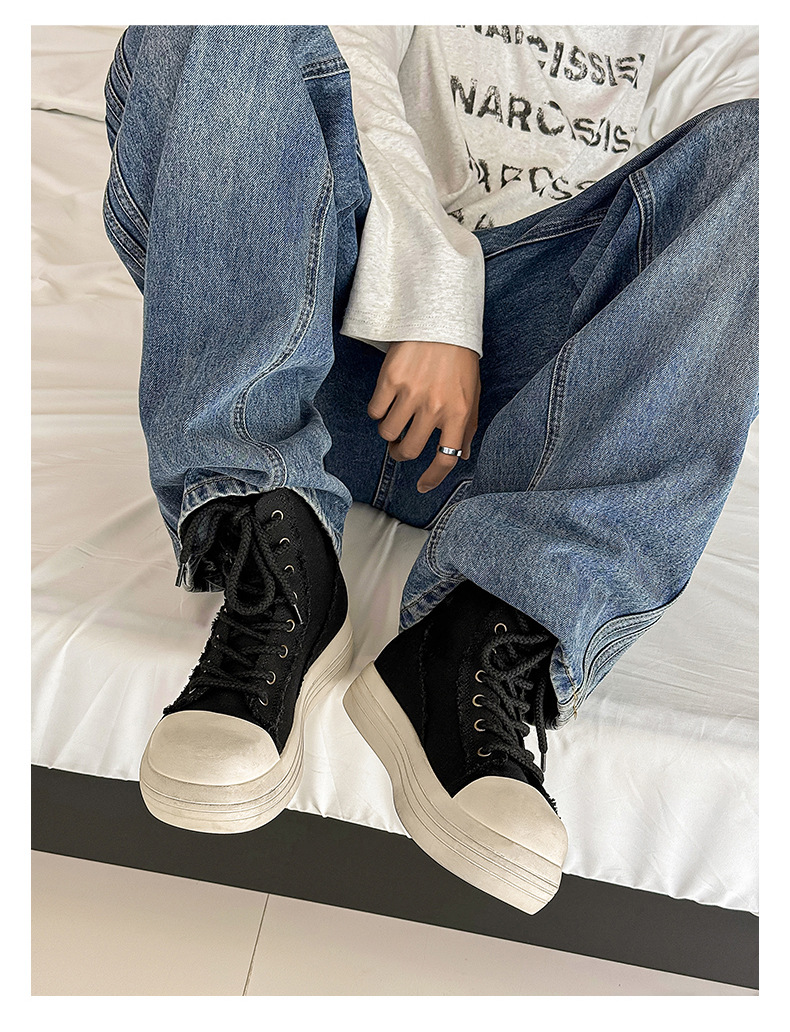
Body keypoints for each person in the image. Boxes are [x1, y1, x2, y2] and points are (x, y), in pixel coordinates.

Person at [102, 25, 758, 915]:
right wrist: (435, 303)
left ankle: (478, 641)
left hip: (545, 423)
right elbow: (338, 64)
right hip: (314, 340)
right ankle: (276, 555)